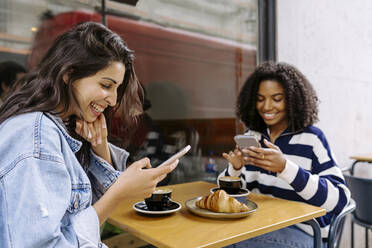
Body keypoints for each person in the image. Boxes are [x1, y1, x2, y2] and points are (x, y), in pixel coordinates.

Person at [0, 22, 178, 248]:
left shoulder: (62, 129)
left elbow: (78, 214)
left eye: (117, 89)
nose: (113, 100)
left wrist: (100, 147)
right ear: (69, 75)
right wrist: (118, 193)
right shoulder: (36, 136)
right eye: (106, 85)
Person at [220, 61, 350, 248]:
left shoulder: (312, 138)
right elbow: (231, 197)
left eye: (277, 98)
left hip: (304, 231)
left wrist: (285, 168)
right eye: (260, 99)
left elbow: (340, 199)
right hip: (258, 225)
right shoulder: (253, 137)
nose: (266, 106)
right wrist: (235, 169)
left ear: (292, 99)